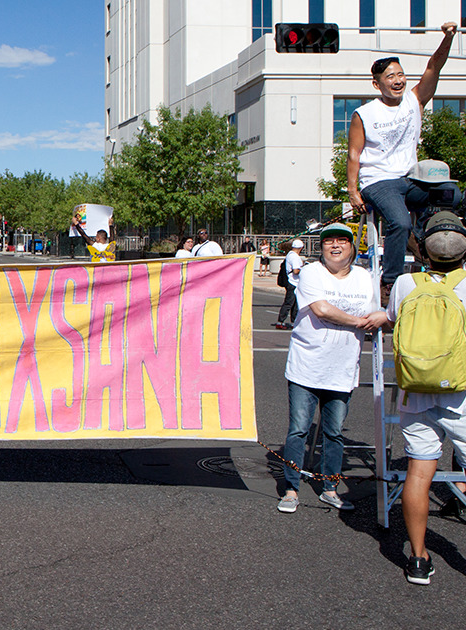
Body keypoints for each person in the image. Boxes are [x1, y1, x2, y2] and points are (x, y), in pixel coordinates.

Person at [276, 224, 388, 514]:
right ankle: (290, 489)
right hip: (306, 365)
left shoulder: (365, 277)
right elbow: (322, 310)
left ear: (351, 247)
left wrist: (381, 318)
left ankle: (330, 487)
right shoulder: (312, 272)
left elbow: (379, 313)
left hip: (343, 368)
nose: (335, 246)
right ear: (321, 248)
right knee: (298, 430)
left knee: (334, 432)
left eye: (342, 241)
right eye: (329, 242)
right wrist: (360, 321)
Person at [348, 23, 462, 305]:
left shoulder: (414, 100)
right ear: (377, 83)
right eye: (390, 77)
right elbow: (354, 154)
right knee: (398, 221)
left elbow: (435, 66)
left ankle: (432, 247)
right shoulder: (365, 113)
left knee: (453, 194)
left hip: (410, 179)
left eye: (400, 74)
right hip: (378, 182)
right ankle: (390, 282)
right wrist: (353, 191)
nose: (397, 80)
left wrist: (448, 38)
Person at [385, 211, 466, 585]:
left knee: (420, 471)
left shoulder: (404, 283)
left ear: (424, 247)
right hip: (461, 393)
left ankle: (418, 558)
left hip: (415, 391)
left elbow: (391, 318)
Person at [274, 239, 305, 330]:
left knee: (294, 304)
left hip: (292, 282)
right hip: (293, 282)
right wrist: (303, 269)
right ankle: (280, 322)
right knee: (289, 303)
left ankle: (293, 322)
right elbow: (296, 271)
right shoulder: (295, 257)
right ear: (301, 248)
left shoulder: (290, 255)